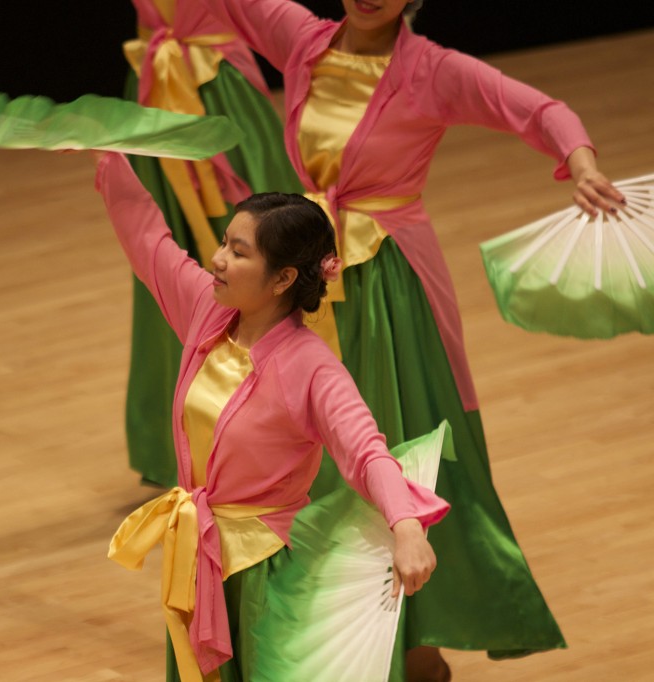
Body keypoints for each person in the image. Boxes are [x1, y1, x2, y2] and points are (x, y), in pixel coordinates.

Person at [182, 0, 627, 679]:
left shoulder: (434, 71)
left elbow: (537, 109)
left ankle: (419, 644)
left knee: (400, 451)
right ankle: (312, 642)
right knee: (307, 464)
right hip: (306, 276)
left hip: (390, 289)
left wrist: (583, 162)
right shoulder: (303, 41)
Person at [96, 150, 450, 682]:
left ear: (283, 278)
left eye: (238, 253)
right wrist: (107, 158)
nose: (217, 260)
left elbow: (367, 452)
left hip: (266, 571)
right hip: (201, 555)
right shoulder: (208, 312)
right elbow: (150, 242)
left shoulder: (312, 369)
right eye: (223, 243)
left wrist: (407, 529)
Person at [118, 0, 306, 487]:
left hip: (216, 93)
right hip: (155, 101)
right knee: (169, 276)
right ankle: (188, 441)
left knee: (260, 266)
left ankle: (282, 429)